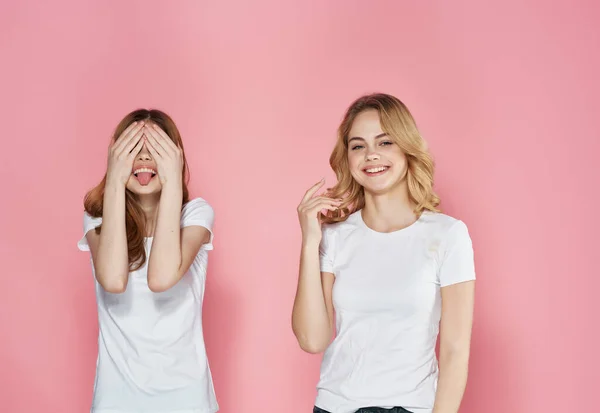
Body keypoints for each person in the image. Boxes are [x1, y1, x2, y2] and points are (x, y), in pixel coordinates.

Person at [292, 93, 476, 413]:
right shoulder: (335, 237)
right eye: (358, 145)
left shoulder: (447, 234)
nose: (371, 155)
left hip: (412, 407)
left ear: (407, 149)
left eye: (385, 142)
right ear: (348, 158)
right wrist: (309, 242)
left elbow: (455, 350)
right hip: (334, 407)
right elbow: (312, 340)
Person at [78, 109, 218, 413]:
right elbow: (114, 281)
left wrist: (173, 182)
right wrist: (114, 180)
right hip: (116, 400)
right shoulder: (97, 219)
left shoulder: (195, 214)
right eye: (132, 151)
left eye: (155, 151)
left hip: (187, 399)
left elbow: (161, 278)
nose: (143, 160)